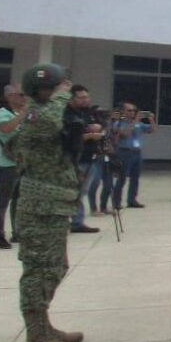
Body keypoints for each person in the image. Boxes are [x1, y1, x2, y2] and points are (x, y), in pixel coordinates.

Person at [12, 64, 85, 342]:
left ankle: (43, 327)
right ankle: (37, 338)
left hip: (53, 206)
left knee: (55, 267)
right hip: (39, 208)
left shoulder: (46, 114)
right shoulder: (34, 115)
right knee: (39, 271)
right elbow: (48, 123)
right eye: (55, 88)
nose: (62, 93)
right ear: (41, 90)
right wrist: (61, 95)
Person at [0, 84, 27, 249]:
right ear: (10, 96)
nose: (24, 97)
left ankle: (17, 232)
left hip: (22, 163)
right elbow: (5, 128)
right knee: (2, 200)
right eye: (20, 94)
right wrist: (24, 114)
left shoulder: (23, 114)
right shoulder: (2, 113)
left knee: (19, 200)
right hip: (6, 165)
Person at [63, 86, 101, 233]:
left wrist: (97, 128)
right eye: (82, 97)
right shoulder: (67, 114)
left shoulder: (87, 113)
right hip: (74, 158)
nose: (86, 100)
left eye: (87, 97)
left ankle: (77, 221)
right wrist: (90, 136)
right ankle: (65, 220)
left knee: (81, 191)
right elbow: (69, 139)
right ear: (72, 98)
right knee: (70, 191)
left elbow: (93, 126)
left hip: (89, 156)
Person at [111, 102, 155, 209]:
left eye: (134, 111)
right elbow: (125, 134)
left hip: (137, 152)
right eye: (129, 110)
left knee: (135, 177)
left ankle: (132, 199)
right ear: (123, 112)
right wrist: (135, 121)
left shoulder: (139, 124)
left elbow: (151, 130)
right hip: (125, 151)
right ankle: (116, 202)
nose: (132, 113)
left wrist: (151, 119)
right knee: (122, 177)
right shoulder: (119, 123)